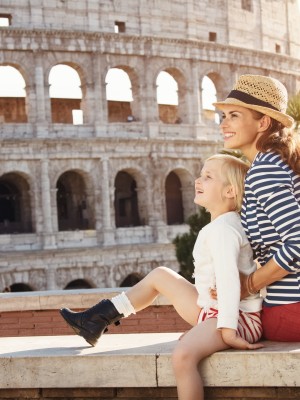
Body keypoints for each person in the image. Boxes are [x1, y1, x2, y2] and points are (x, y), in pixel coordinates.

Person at [60, 154, 263, 400]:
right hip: (216, 310)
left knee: (183, 356)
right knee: (161, 276)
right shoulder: (222, 225)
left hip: (237, 319)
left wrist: (228, 331)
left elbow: (231, 283)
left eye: (208, 177)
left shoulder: (223, 230)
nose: (198, 180)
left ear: (230, 191)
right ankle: (96, 319)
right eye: (200, 174)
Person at [213, 74, 300, 342]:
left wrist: (246, 286)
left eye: (234, 115)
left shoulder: (264, 171)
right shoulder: (278, 162)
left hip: (290, 313)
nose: (223, 124)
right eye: (223, 116)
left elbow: (297, 243)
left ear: (262, 122)